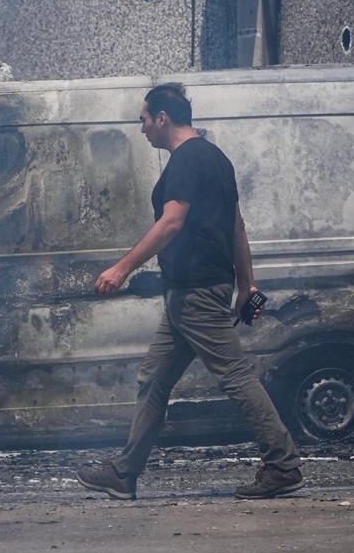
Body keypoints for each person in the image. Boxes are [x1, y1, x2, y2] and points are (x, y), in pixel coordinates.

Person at [76, 83, 303, 500]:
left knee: (235, 376)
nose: (141, 128)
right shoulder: (217, 159)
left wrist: (121, 269)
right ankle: (124, 473)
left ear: (162, 117)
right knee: (154, 378)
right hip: (193, 291)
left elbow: (171, 223)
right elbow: (236, 227)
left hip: (196, 291)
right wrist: (245, 283)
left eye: (144, 119)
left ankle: (283, 465)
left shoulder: (185, 160)